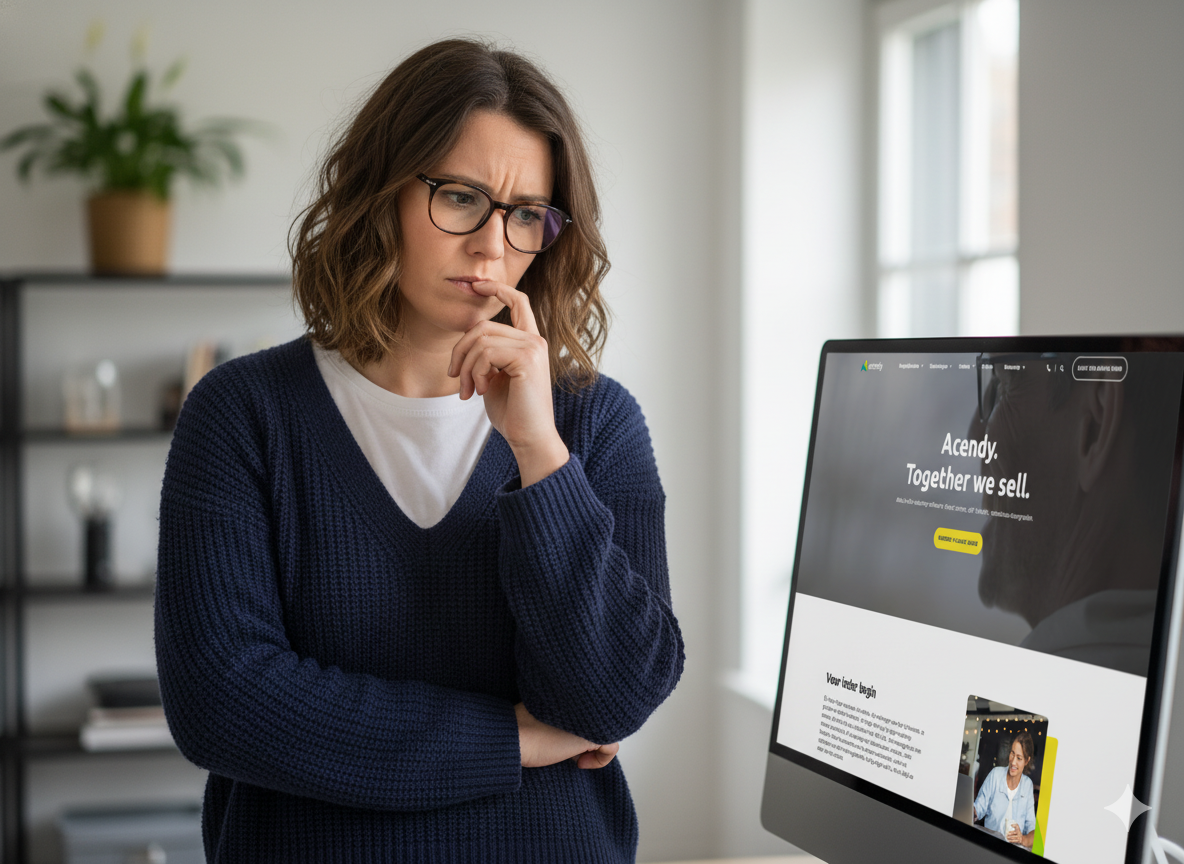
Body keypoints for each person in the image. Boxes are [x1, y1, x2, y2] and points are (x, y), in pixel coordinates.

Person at [154, 38, 684, 862]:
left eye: (525, 215)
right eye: (462, 198)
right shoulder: (241, 415)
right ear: (382, 191)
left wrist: (539, 455)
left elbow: (609, 697)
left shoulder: (594, 425)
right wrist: (512, 740)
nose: (491, 247)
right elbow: (223, 703)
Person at [973, 732, 1038, 848]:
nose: (1013, 762)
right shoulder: (995, 775)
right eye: (1012, 753)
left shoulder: (1027, 785)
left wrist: (1022, 839)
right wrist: (972, 811)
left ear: (1026, 761)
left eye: (1019, 758)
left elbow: (1033, 833)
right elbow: (978, 808)